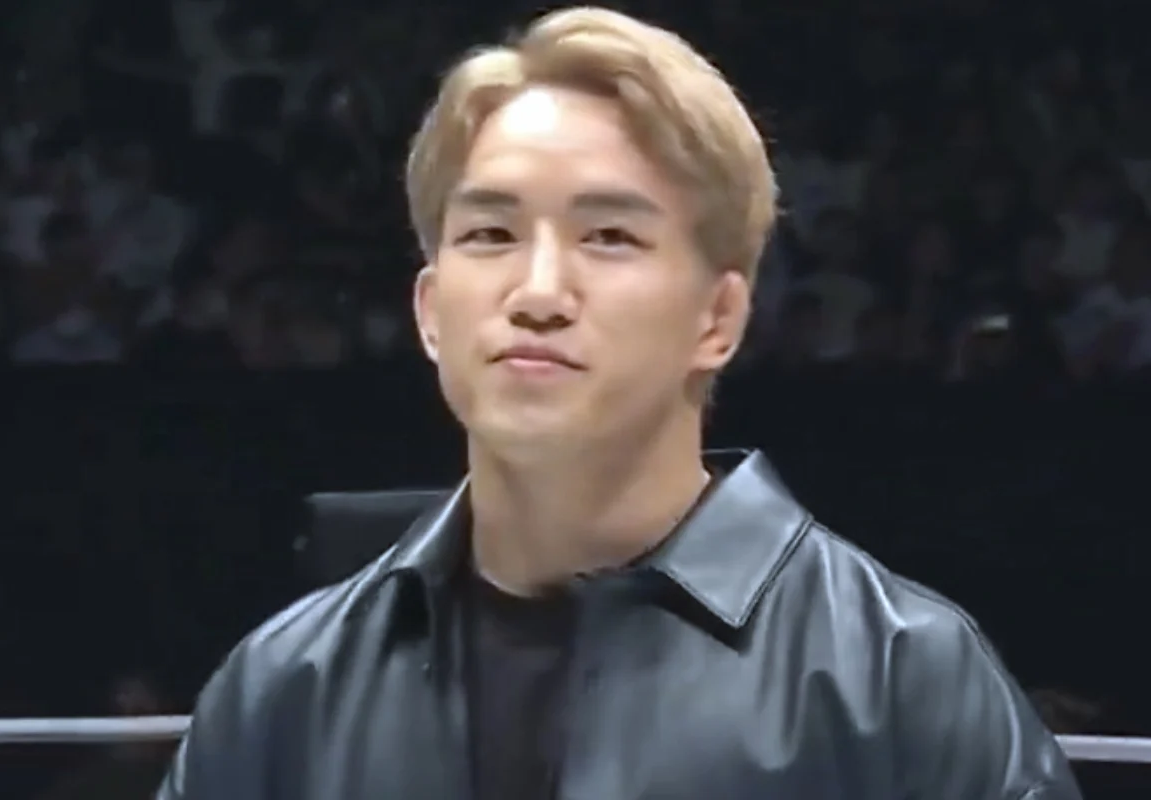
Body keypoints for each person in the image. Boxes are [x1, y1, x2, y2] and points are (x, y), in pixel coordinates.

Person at [158, 8, 1081, 799]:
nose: (538, 291)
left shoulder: (904, 678)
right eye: (491, 233)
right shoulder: (281, 689)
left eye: (607, 236)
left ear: (718, 318)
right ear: (431, 313)